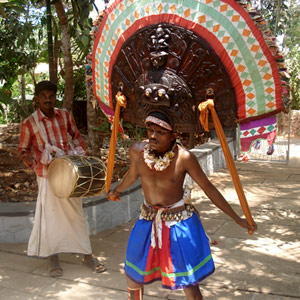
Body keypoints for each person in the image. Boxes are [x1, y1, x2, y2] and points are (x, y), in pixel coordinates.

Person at [106, 111, 257, 300]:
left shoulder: (184, 158)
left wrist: (237, 219)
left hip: (179, 224)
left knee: (188, 281)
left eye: (160, 132)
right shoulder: (138, 152)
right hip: (147, 221)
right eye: (150, 130)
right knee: (133, 274)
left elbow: (209, 189)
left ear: (173, 135)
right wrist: (116, 191)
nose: (153, 136)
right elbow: (131, 175)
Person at [18, 80, 106, 277]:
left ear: (55, 97)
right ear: (37, 99)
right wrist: (37, 164)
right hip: (47, 175)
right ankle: (53, 257)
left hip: (69, 173)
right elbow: (22, 151)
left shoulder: (65, 115)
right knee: (50, 218)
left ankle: (87, 254)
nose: (47, 100)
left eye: (51, 96)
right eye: (43, 97)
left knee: (76, 213)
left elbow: (76, 137)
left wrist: (78, 154)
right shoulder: (30, 123)